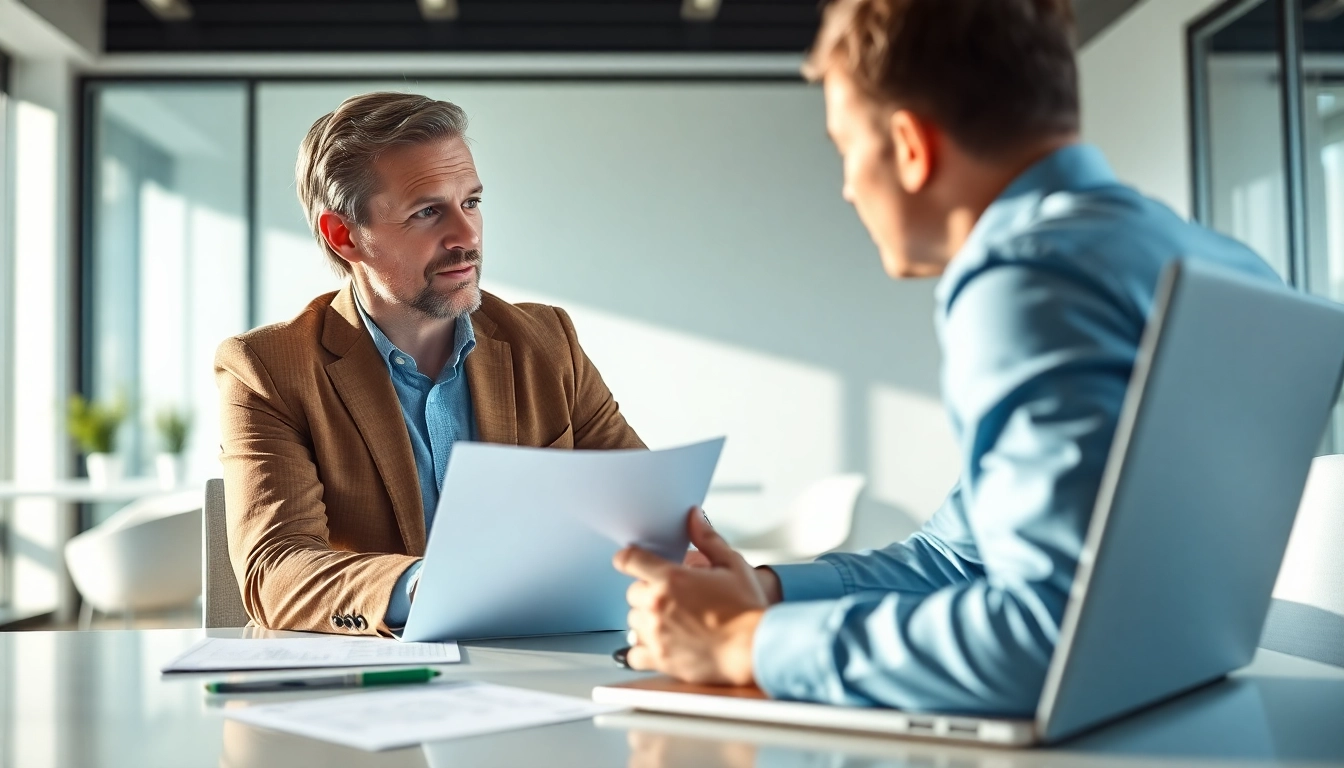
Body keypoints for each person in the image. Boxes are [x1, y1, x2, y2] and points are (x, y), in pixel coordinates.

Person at [615, 0, 1279, 714]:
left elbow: (1046, 642)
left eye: (845, 148)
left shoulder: (1027, 277)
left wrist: (749, 642)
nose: (846, 185)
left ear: (909, 146)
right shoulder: (1225, 263)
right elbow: (957, 557)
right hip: (1195, 711)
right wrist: (768, 591)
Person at [216, 92, 643, 636]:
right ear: (344, 235)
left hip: (549, 667)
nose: (467, 238)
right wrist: (430, 586)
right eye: (427, 212)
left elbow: (644, 500)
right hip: (375, 688)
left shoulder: (546, 341)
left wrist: (688, 542)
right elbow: (276, 571)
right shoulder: (266, 370)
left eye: (471, 203)